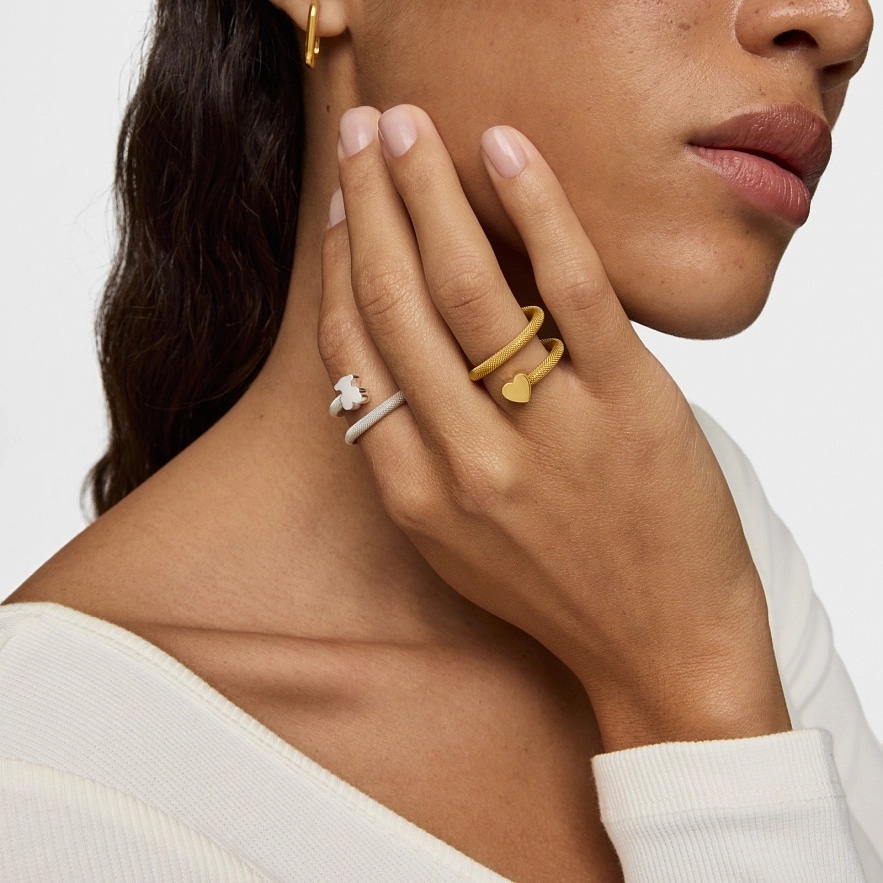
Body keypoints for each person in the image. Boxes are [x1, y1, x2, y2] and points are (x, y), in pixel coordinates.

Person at [1, 0, 880, 879]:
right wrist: (697, 694)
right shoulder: (46, 788)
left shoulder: (679, 521)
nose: (844, 23)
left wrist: (692, 682)